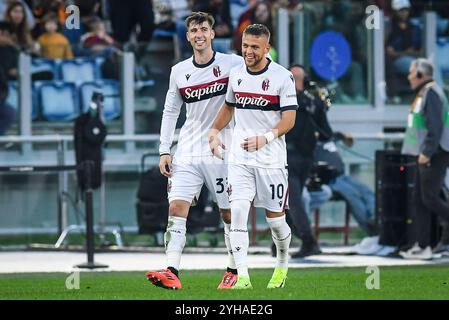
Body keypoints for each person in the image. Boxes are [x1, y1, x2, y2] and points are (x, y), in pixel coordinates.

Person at [145, 12, 243, 290]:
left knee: (228, 214)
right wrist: (165, 149)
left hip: (222, 148)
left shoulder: (232, 63)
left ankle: (233, 270)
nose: (199, 34)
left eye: (203, 29)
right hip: (187, 148)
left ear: (212, 33)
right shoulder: (179, 71)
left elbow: (265, 70)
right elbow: (170, 111)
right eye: (193, 30)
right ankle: (172, 270)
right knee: (176, 208)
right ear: (187, 36)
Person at [209, 23, 297, 289]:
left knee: (275, 221)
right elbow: (229, 106)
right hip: (240, 159)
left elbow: (290, 119)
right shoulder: (236, 75)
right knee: (237, 211)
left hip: (271, 160)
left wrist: (266, 138)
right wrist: (214, 129)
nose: (248, 51)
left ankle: (282, 262)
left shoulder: (283, 77)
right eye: (245, 46)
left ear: (266, 48)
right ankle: (243, 277)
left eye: (254, 47)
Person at [399, 58, 449, 260]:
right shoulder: (425, 92)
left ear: (421, 74)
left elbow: (435, 127)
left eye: (412, 73)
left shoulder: (432, 93)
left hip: (433, 153)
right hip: (425, 153)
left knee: (429, 198)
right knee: (420, 200)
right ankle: (423, 245)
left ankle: (430, 243)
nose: (409, 77)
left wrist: (427, 152)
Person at [283, 64, 333, 258]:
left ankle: (308, 240)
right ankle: (281, 240)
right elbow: (326, 133)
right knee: (286, 200)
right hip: (306, 157)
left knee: (291, 200)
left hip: (289, 155)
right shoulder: (315, 101)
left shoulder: (285, 98)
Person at [385, 0, 421, 102]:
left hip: (413, 58)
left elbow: (421, 50)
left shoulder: (414, 28)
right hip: (397, 61)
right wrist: (405, 53)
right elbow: (389, 53)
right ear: (395, 11)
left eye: (406, 10)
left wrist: (411, 53)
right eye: (401, 10)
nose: (404, 13)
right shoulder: (390, 27)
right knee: (417, 66)